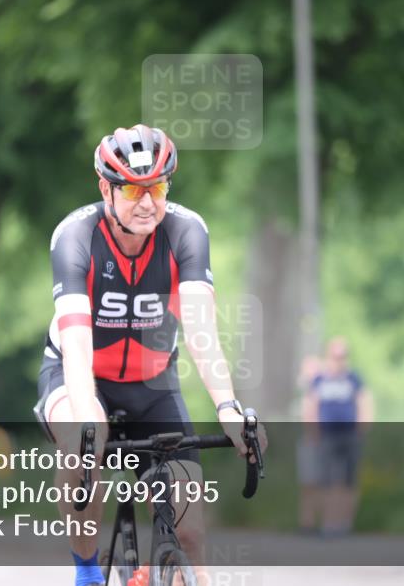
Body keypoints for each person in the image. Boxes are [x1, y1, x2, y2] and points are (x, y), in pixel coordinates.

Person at [34, 124, 265, 586]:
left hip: (154, 386)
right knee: (83, 445)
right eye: (135, 189)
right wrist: (85, 421)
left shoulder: (186, 231)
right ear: (106, 188)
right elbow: (77, 346)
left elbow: (200, 330)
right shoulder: (75, 236)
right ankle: (87, 573)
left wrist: (227, 406)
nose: (147, 203)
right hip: (76, 377)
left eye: (157, 187)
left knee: (191, 532)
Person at [298, 337, 374, 537]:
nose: (339, 360)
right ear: (328, 356)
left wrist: (363, 428)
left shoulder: (353, 378)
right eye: (335, 356)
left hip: (350, 435)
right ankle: (328, 524)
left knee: (349, 481)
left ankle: (344, 524)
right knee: (327, 481)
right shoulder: (320, 380)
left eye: (343, 356)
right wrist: (312, 431)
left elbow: (364, 402)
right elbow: (310, 405)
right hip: (326, 435)